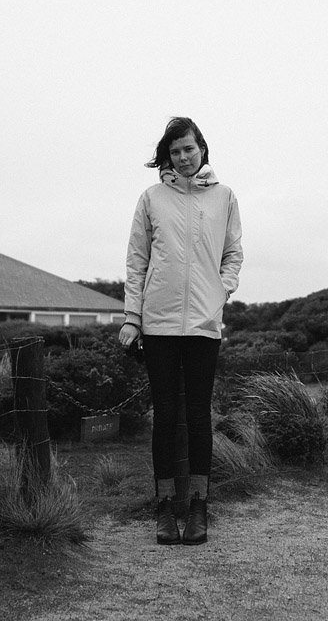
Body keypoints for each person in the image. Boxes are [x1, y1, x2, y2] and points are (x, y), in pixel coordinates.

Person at [118, 117, 243, 546]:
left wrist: (218, 292)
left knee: (200, 415)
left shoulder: (224, 197)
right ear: (166, 157)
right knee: (165, 417)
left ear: (202, 149)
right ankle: (165, 509)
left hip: (204, 325)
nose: (184, 157)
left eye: (189, 149)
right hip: (159, 323)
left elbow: (233, 254)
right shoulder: (151, 198)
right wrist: (133, 317)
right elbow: (137, 262)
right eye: (175, 152)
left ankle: (199, 508)